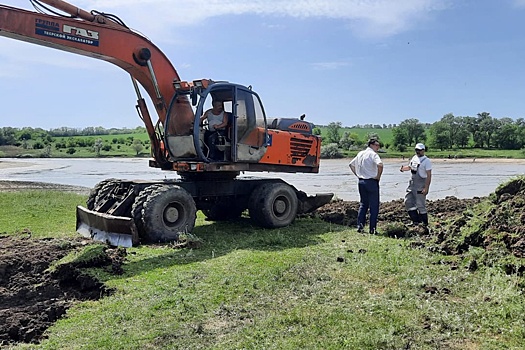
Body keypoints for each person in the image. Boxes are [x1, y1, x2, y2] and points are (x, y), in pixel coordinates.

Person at [349, 139, 383, 234]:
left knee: (363, 204)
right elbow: (380, 165)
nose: (378, 147)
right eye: (377, 145)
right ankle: (372, 229)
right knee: (374, 206)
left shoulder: (360, 153)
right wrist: (378, 177)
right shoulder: (373, 154)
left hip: (361, 182)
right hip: (371, 181)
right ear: (372, 145)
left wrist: (358, 175)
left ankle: (360, 226)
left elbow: (351, 165)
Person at [400, 143, 432, 226]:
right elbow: (410, 167)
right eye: (416, 150)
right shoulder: (414, 158)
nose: (418, 152)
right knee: (408, 202)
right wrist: (404, 169)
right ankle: (415, 221)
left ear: (423, 150)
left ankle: (424, 224)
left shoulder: (426, 161)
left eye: (420, 150)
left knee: (420, 204)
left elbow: (429, 175)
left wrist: (426, 188)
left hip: (421, 185)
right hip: (412, 184)